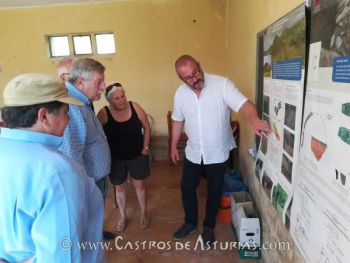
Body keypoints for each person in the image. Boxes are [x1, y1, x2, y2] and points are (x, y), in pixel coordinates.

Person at [0, 73, 105, 262]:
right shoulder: (58, 172)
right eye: (66, 113)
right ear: (44, 116)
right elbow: (63, 256)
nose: (68, 120)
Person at [171, 55, 271, 247]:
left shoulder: (222, 85)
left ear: (199, 66)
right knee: (186, 187)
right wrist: (173, 145)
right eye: (188, 78)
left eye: (195, 73)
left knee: (214, 190)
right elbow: (177, 120)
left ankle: (208, 226)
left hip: (217, 151)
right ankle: (190, 222)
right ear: (182, 80)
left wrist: (254, 120)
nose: (194, 79)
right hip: (193, 151)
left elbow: (245, 104)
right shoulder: (180, 94)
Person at [58, 58, 114, 240]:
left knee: (93, 222)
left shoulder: (82, 101)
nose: (103, 86)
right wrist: (84, 188)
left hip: (94, 179)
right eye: (99, 82)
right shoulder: (72, 107)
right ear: (81, 82)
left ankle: (96, 233)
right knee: (86, 229)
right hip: (88, 183)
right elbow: (72, 156)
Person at [97, 83, 151, 232]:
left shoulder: (135, 107)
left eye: (123, 96)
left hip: (137, 156)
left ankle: (144, 214)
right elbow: (96, 136)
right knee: (119, 188)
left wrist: (146, 148)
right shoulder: (103, 113)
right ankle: (122, 216)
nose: (122, 100)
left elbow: (146, 126)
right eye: (117, 99)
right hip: (116, 159)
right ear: (109, 101)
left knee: (139, 186)